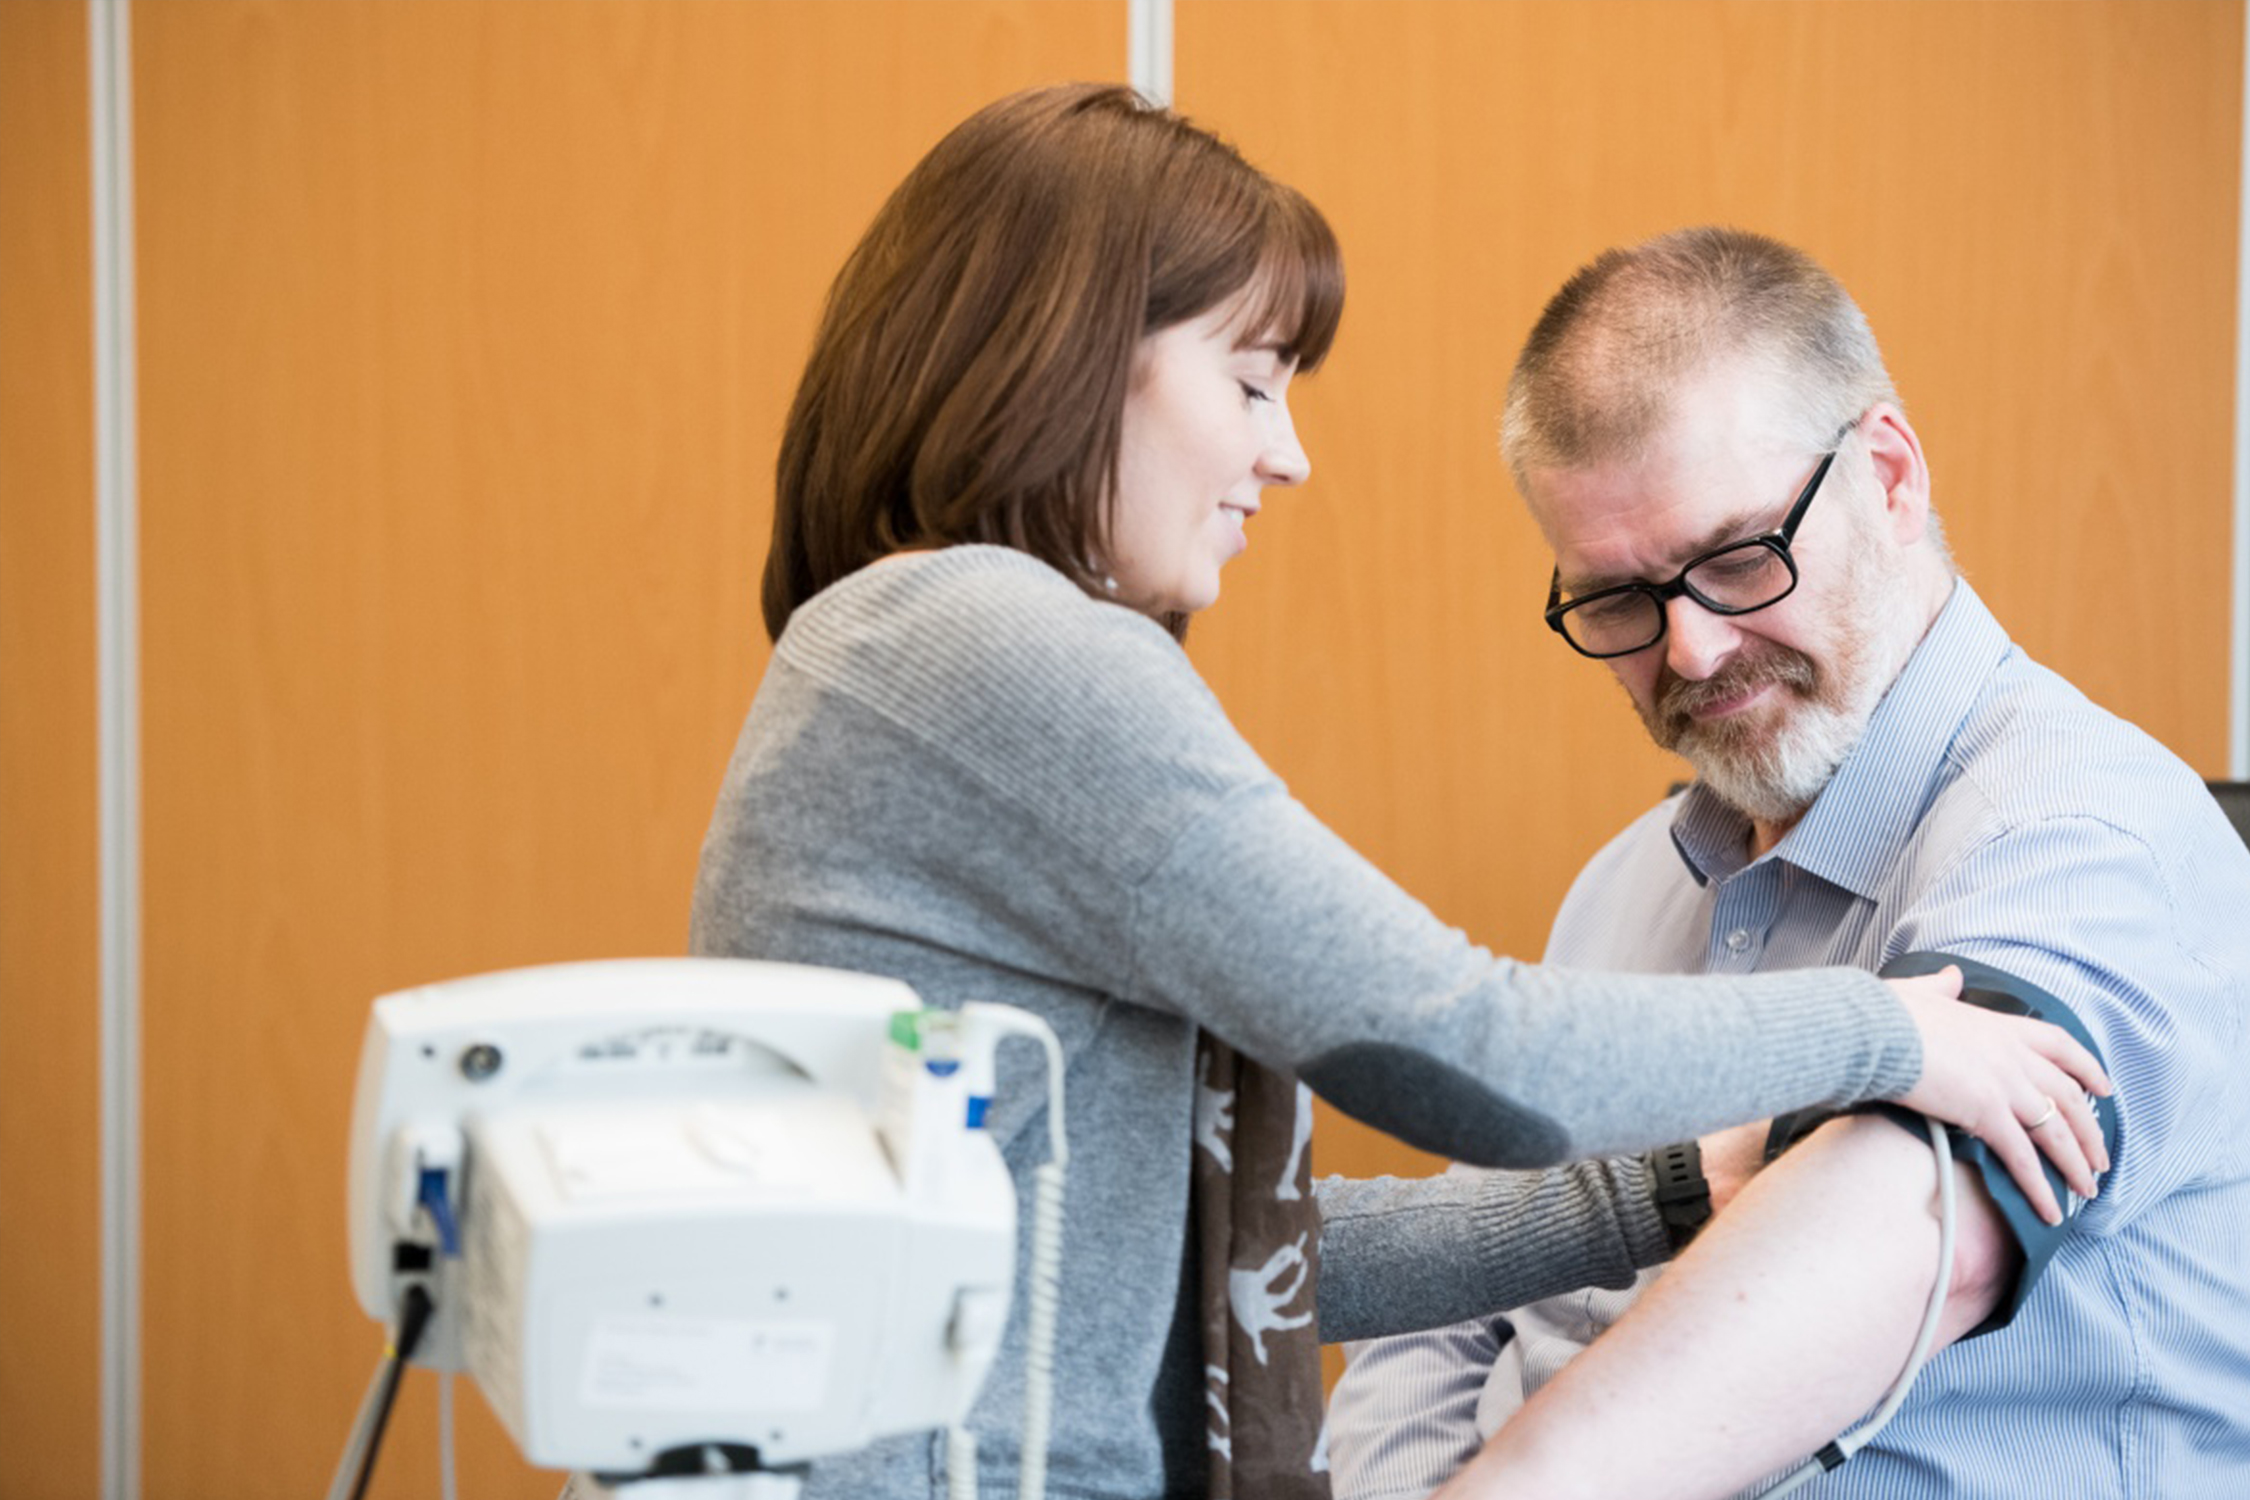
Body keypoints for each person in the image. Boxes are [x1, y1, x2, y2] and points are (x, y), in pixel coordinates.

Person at [689, 94, 2106, 1500]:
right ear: (1070, 360)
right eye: (1251, 383)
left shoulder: (890, 648)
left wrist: (1671, 1188)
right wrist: (1883, 1032)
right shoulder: (1000, 648)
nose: (1286, 453)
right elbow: (1471, 1049)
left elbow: (1220, 1259)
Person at [1327, 226, 2250, 1500]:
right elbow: (1447, 1318)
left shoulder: (2083, 834)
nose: (1692, 652)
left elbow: (1908, 1236)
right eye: (1617, 601)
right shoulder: (1624, 887)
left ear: (1890, 476)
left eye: (1737, 560)